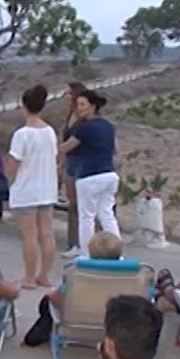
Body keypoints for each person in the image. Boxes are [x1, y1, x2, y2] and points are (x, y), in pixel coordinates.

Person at [8, 84, 59, 288]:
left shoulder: (22, 134)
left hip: (27, 189)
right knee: (46, 233)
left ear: (24, 105)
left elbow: (13, 163)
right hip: (47, 188)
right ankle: (44, 275)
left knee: (29, 235)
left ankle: (29, 277)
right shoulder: (49, 132)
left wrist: (7, 176)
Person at [59, 89, 120, 252]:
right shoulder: (108, 126)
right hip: (109, 173)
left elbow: (67, 147)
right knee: (107, 214)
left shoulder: (84, 128)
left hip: (89, 176)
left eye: (82, 104)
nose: (79, 108)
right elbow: (116, 149)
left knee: (87, 217)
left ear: (92, 106)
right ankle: (116, 251)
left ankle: (86, 253)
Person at [59, 82, 88, 257]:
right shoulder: (70, 115)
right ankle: (73, 243)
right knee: (73, 205)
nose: (65, 97)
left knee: (82, 205)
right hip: (70, 163)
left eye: (68, 93)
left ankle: (82, 242)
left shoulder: (83, 118)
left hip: (81, 163)